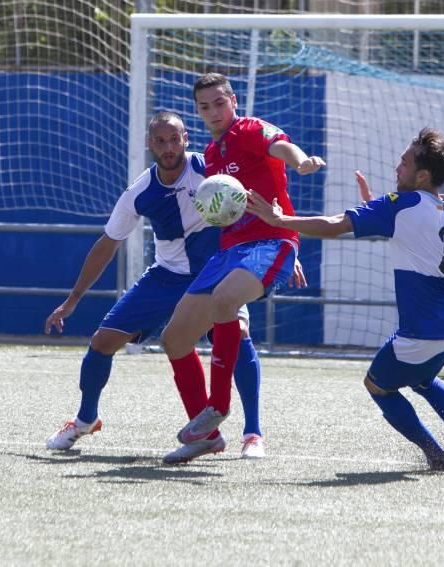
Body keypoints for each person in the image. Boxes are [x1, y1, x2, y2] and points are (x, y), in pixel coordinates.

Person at [247, 128, 444, 474]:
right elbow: (415, 230)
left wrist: (278, 220)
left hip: (422, 332)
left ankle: (436, 455)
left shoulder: (396, 208)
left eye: (403, 163)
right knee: (422, 382)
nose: (396, 167)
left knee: (377, 386)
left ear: (423, 175)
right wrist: (378, 213)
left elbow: (333, 224)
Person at [44, 111, 281, 462]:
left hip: (216, 275)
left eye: (175, 139)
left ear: (186, 138)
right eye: (160, 141)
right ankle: (85, 418)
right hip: (166, 276)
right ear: (149, 144)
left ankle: (252, 433)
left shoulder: (212, 170)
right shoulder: (140, 192)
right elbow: (108, 243)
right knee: (102, 342)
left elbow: (261, 204)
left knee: (239, 335)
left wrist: (284, 248)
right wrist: (73, 299)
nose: (169, 147)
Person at [159, 73, 325, 462]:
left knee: (225, 301)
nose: (214, 111)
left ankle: (220, 405)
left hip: (271, 243)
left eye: (220, 102)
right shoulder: (212, 153)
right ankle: (206, 437)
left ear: (232, 101)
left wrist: (301, 163)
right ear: (198, 112)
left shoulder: (248, 129)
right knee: (175, 339)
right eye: (205, 107)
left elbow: (281, 146)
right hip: (228, 252)